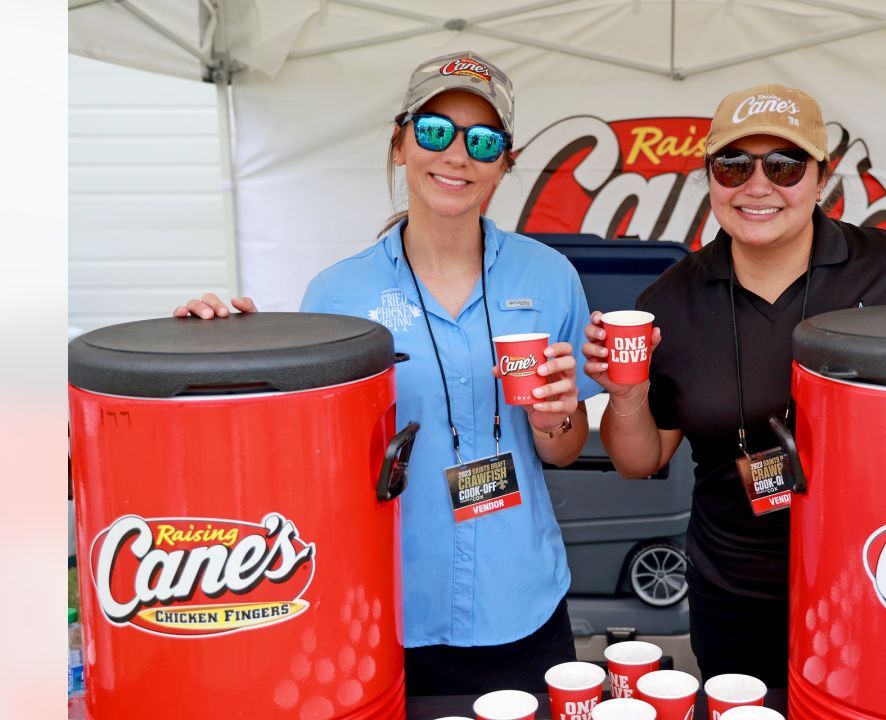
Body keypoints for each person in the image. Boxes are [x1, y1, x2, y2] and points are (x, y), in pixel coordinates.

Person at [176, 51, 601, 695]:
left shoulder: (550, 278)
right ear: (400, 144)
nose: (457, 155)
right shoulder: (337, 293)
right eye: (435, 130)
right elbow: (298, 448)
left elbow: (563, 449)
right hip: (386, 606)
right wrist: (231, 348)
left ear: (505, 164)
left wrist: (554, 417)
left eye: (484, 141)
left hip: (524, 602)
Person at [581, 84, 886, 686]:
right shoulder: (669, 300)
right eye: (733, 165)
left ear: (821, 177)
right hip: (734, 588)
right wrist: (625, 392)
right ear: (710, 177)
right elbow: (641, 459)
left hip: (884, 579)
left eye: (784, 164)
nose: (757, 185)